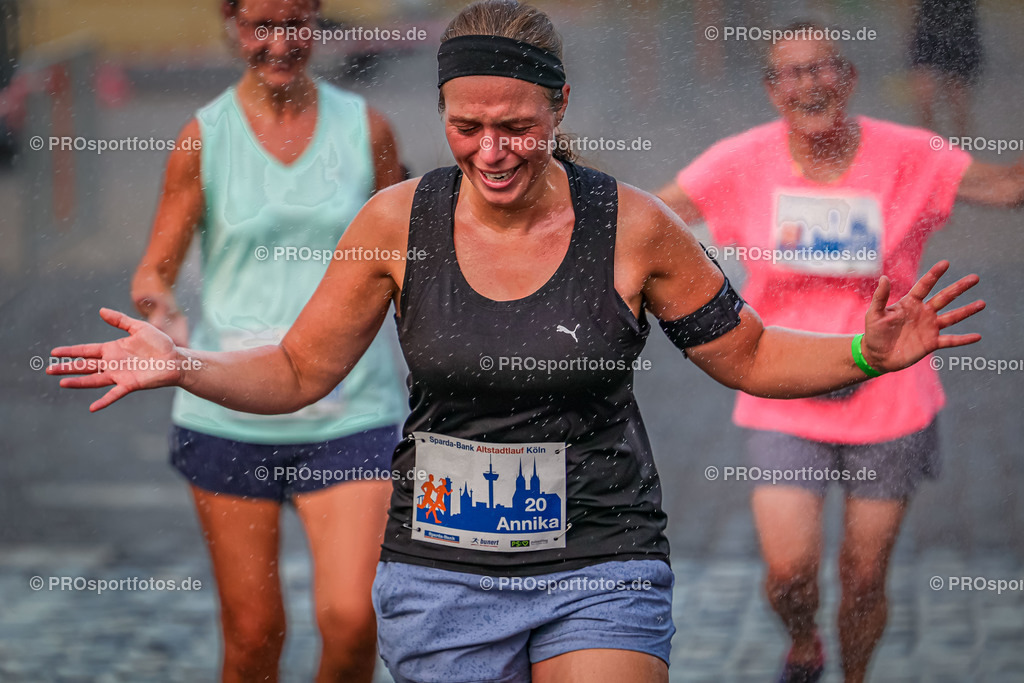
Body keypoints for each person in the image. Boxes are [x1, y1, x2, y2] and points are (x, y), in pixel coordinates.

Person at [52, 3, 985, 682]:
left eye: (517, 128)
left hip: (600, 553)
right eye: (467, 128)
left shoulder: (634, 225)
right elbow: (300, 368)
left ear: (559, 109)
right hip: (445, 564)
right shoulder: (395, 222)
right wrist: (187, 365)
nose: (491, 150)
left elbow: (747, 355)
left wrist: (866, 353)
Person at [656, 21, 1023, 683]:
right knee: (789, 572)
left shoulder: (909, 152)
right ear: (773, 90)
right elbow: (654, 214)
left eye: (823, 67)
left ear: (849, 78)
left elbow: (1004, 185)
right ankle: (803, 644)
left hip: (891, 393)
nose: (810, 83)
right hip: (782, 385)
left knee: (861, 575)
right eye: (792, 73)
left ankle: (852, 676)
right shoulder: (741, 160)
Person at [128, 0, 407, 680]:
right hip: (228, 409)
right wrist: (157, 307)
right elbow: (155, 268)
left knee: (353, 618)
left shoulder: (365, 128)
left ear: (317, 21)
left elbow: (409, 252)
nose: (279, 43)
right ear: (232, 25)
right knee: (254, 634)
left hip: (353, 409)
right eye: (261, 26)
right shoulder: (204, 137)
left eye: (296, 24)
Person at [909, 0, 982, 139]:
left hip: (961, 31)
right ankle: (928, 148)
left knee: (957, 99)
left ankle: (961, 151)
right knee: (925, 96)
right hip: (929, 30)